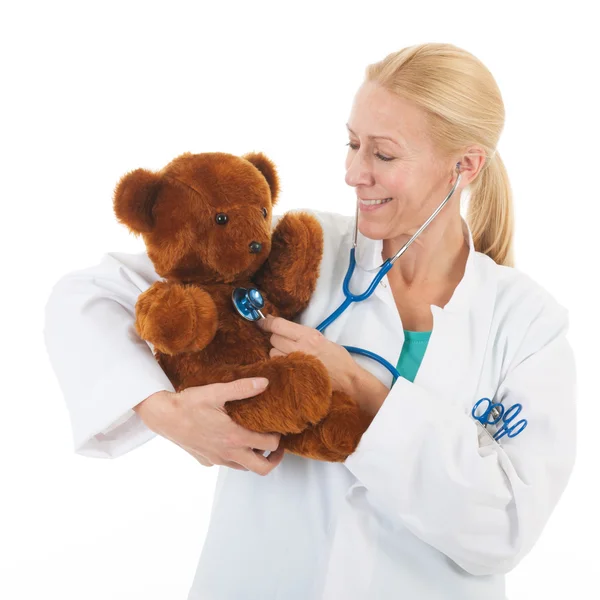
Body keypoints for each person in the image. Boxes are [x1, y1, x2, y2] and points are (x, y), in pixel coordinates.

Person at [43, 42, 576, 600]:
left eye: (383, 155)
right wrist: (163, 411)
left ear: (464, 166)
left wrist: (358, 388)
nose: (352, 173)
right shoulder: (297, 250)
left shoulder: (527, 324)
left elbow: (505, 529)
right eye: (351, 144)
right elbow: (88, 295)